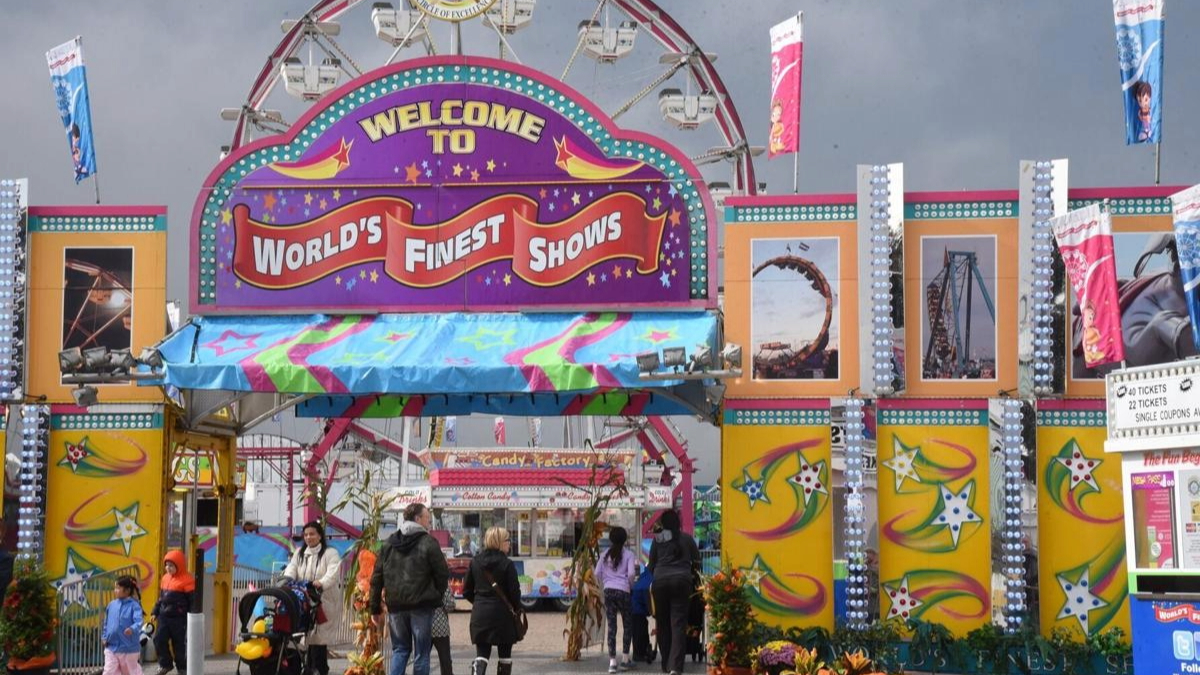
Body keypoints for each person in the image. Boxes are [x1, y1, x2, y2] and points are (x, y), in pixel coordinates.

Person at [369, 503, 450, 675]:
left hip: (396, 606)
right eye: (427, 517)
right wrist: (436, 597)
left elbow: (376, 578)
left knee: (400, 650)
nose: (429, 521)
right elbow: (442, 573)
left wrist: (374, 608)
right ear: (417, 519)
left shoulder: (388, 543)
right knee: (421, 652)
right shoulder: (429, 542)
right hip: (422, 606)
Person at [281, 521, 342, 675]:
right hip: (303, 602)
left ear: (320, 535)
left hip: (324, 602)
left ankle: (320, 670)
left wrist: (320, 583)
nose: (309, 537)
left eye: (312, 534)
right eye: (306, 534)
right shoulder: (300, 552)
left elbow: (333, 573)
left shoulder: (331, 553)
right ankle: (307, 669)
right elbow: (292, 568)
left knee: (318, 642)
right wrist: (286, 579)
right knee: (303, 640)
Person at [647, 509, 700, 675]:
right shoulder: (687, 539)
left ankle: (665, 664)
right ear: (678, 522)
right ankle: (675, 667)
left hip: (660, 582)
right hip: (682, 583)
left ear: (663, 524)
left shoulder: (658, 540)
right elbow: (697, 562)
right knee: (678, 625)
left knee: (662, 624)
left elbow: (651, 565)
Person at [463, 527, 521, 675]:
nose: (510, 543)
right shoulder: (507, 564)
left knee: (482, 654)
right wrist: (516, 608)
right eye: (507, 540)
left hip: (481, 614)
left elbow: (466, 590)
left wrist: (479, 602)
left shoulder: (475, 562)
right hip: (503, 615)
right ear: (500, 542)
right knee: (505, 657)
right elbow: (515, 592)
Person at [598, 526, 637, 673]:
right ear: (625, 539)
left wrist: (607, 581)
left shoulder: (604, 555)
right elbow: (632, 574)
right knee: (627, 624)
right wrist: (629, 585)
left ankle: (612, 662)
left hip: (608, 591)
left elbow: (597, 572)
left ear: (611, 539)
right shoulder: (629, 554)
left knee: (612, 626)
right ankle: (625, 659)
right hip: (624, 591)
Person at [152, 550, 194, 675]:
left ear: (179, 565)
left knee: (179, 644)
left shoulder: (187, 580)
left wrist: (191, 616)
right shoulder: (165, 578)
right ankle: (165, 664)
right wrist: (155, 612)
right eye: (166, 565)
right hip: (164, 616)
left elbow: (192, 600)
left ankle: (182, 667)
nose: (168, 568)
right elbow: (161, 598)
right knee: (159, 640)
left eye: (171, 565)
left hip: (178, 618)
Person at [103, 575, 144, 675]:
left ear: (127, 590)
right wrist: (104, 636)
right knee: (109, 671)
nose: (115, 590)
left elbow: (139, 621)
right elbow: (106, 623)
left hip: (128, 648)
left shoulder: (134, 605)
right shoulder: (111, 605)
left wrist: (132, 628)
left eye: (118, 588)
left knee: (131, 671)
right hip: (111, 646)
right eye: (115, 588)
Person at [630, 567, 655, 664]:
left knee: (639, 631)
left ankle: (640, 653)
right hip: (638, 611)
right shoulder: (649, 580)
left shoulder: (643, 577)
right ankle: (639, 654)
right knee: (640, 632)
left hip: (634, 610)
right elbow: (647, 599)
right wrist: (651, 612)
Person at [431, 585, 457, 675]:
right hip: (440, 626)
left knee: (422, 657)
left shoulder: (421, 581)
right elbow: (450, 605)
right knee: (445, 658)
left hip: (423, 625)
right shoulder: (442, 583)